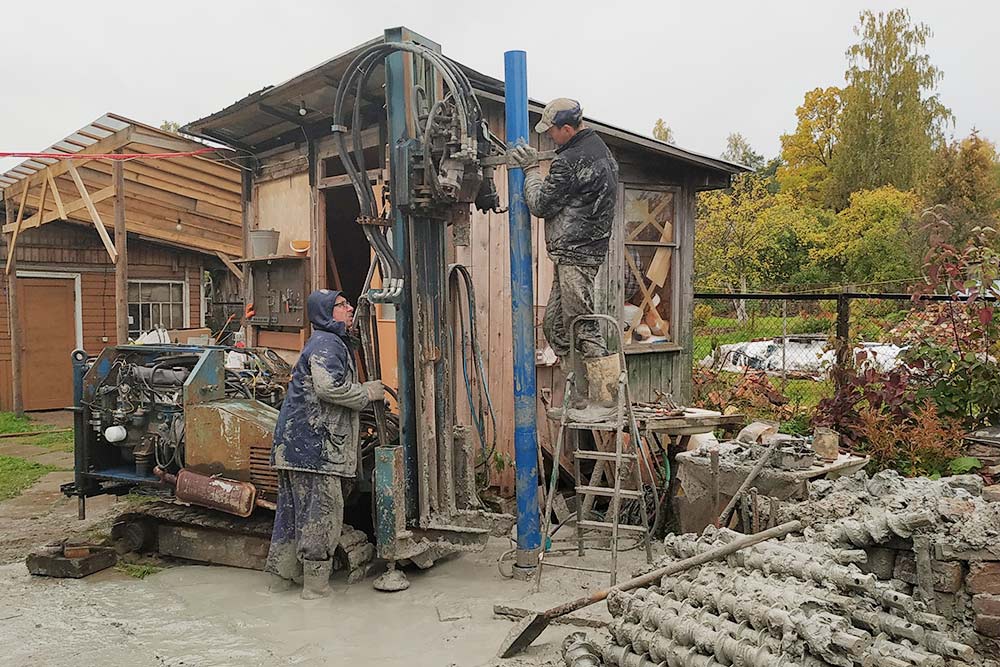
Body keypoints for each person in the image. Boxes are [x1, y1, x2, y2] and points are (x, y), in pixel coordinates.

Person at [265, 289, 384, 599]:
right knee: (322, 514)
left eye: (346, 303)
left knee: (292, 516)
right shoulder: (327, 344)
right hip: (315, 448)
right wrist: (365, 393)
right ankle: (315, 590)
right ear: (324, 313)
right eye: (340, 305)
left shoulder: (328, 341)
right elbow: (328, 386)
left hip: (295, 445)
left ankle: (280, 582)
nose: (347, 309)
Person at [509, 98, 621, 407]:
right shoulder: (601, 151)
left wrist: (531, 170)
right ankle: (580, 391)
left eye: (552, 132)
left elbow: (541, 205)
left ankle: (606, 397)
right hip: (581, 250)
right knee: (554, 325)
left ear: (568, 129)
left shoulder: (570, 161)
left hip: (576, 252)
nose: (548, 137)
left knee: (581, 323)